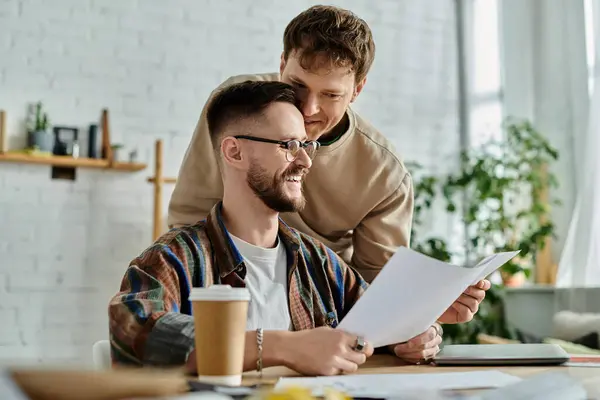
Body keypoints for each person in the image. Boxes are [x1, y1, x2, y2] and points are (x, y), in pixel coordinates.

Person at [108, 81, 482, 376]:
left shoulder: (318, 262)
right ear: (234, 152)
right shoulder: (172, 258)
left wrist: (418, 328)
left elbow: (376, 327)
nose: (305, 159)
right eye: (288, 145)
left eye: (306, 145)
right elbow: (139, 333)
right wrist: (286, 347)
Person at [168, 4, 490, 326]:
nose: (309, 108)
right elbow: (189, 216)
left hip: (320, 311)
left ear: (357, 90)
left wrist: (421, 316)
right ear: (282, 64)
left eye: (331, 95)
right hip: (225, 293)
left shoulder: (384, 174)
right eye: (298, 86)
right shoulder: (236, 109)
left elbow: (376, 285)